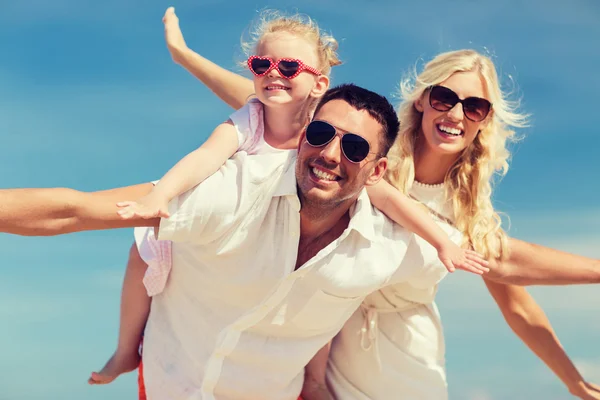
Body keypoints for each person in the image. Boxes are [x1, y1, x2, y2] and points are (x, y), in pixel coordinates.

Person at [155, 12, 600, 399]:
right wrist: (184, 56)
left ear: (485, 120)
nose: (456, 114)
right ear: (424, 101)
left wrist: (572, 380)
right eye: (445, 98)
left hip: (405, 352)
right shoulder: (366, 156)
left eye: (475, 106)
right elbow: (282, 105)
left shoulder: (468, 211)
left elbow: (512, 290)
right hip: (325, 332)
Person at [0, 84, 485, 400]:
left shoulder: (390, 247)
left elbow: (500, 260)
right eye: (320, 134)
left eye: (355, 148)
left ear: (378, 170)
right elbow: (74, 209)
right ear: (302, 138)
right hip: (169, 387)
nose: (331, 155)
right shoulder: (232, 192)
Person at [91, 8, 487, 385]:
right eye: (262, 66)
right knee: (144, 248)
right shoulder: (255, 118)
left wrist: (440, 243)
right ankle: (127, 349)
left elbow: (390, 199)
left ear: (318, 84)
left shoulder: (329, 129)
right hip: (239, 236)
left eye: (289, 68)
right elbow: (207, 154)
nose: (274, 75)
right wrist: (159, 196)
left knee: (322, 300)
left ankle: (313, 382)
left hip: (308, 260)